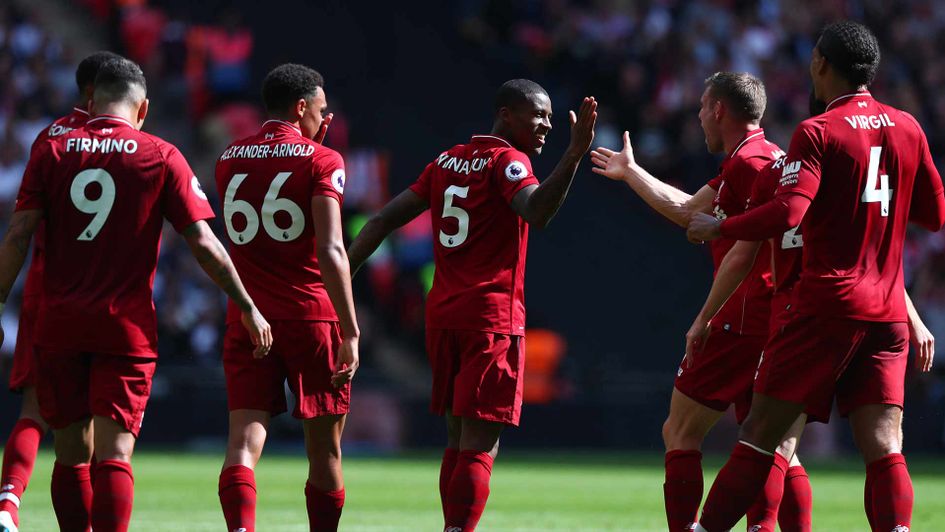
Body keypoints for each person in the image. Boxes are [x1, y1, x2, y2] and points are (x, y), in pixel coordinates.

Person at [686, 21, 945, 531]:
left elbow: (786, 213)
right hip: (888, 312)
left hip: (825, 306)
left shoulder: (818, 130)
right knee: (884, 444)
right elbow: (934, 215)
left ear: (821, 64)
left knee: (761, 433)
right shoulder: (908, 126)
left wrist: (720, 225)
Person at [1, 57, 271, 532]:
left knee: (69, 455)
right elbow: (204, 244)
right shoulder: (160, 154)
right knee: (115, 454)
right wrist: (247, 305)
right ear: (142, 107)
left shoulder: (52, 147)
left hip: (59, 319)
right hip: (124, 327)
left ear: (92, 101)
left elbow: (19, 233)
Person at [347, 79, 596, 531]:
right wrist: (574, 155)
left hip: (443, 316)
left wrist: (340, 278)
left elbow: (383, 219)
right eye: (537, 115)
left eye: (550, 120)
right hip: (489, 316)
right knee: (480, 444)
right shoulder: (508, 160)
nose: (545, 127)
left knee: (458, 438)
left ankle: (451, 526)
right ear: (506, 114)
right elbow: (536, 212)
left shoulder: (445, 161)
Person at [591, 72, 801, 531]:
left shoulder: (748, 165)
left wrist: (704, 317)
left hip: (741, 314)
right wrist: (631, 173)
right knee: (772, 442)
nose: (700, 118)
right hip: (779, 315)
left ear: (719, 110)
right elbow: (690, 213)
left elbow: (741, 250)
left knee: (681, 431)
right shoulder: (769, 159)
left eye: (703, 108)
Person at [214, 63, 358, 532]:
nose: (325, 117)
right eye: (321, 109)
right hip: (310, 316)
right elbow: (331, 247)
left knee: (243, 442)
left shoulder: (229, 157)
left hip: (249, 316)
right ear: (301, 108)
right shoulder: (323, 160)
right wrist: (351, 330)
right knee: (325, 449)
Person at [0, 50, 122, 532]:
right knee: (105, 427)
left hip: (47, 293)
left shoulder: (50, 138)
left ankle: (8, 504)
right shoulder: (135, 143)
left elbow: (21, 227)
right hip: (111, 301)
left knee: (41, 411)